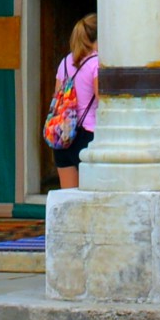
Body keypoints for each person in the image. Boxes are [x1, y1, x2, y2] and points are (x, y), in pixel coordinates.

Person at [42, 14, 100, 189]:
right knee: (92, 197)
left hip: (63, 136)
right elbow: (102, 101)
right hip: (88, 137)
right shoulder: (96, 63)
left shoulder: (65, 62)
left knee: (68, 197)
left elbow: (57, 96)